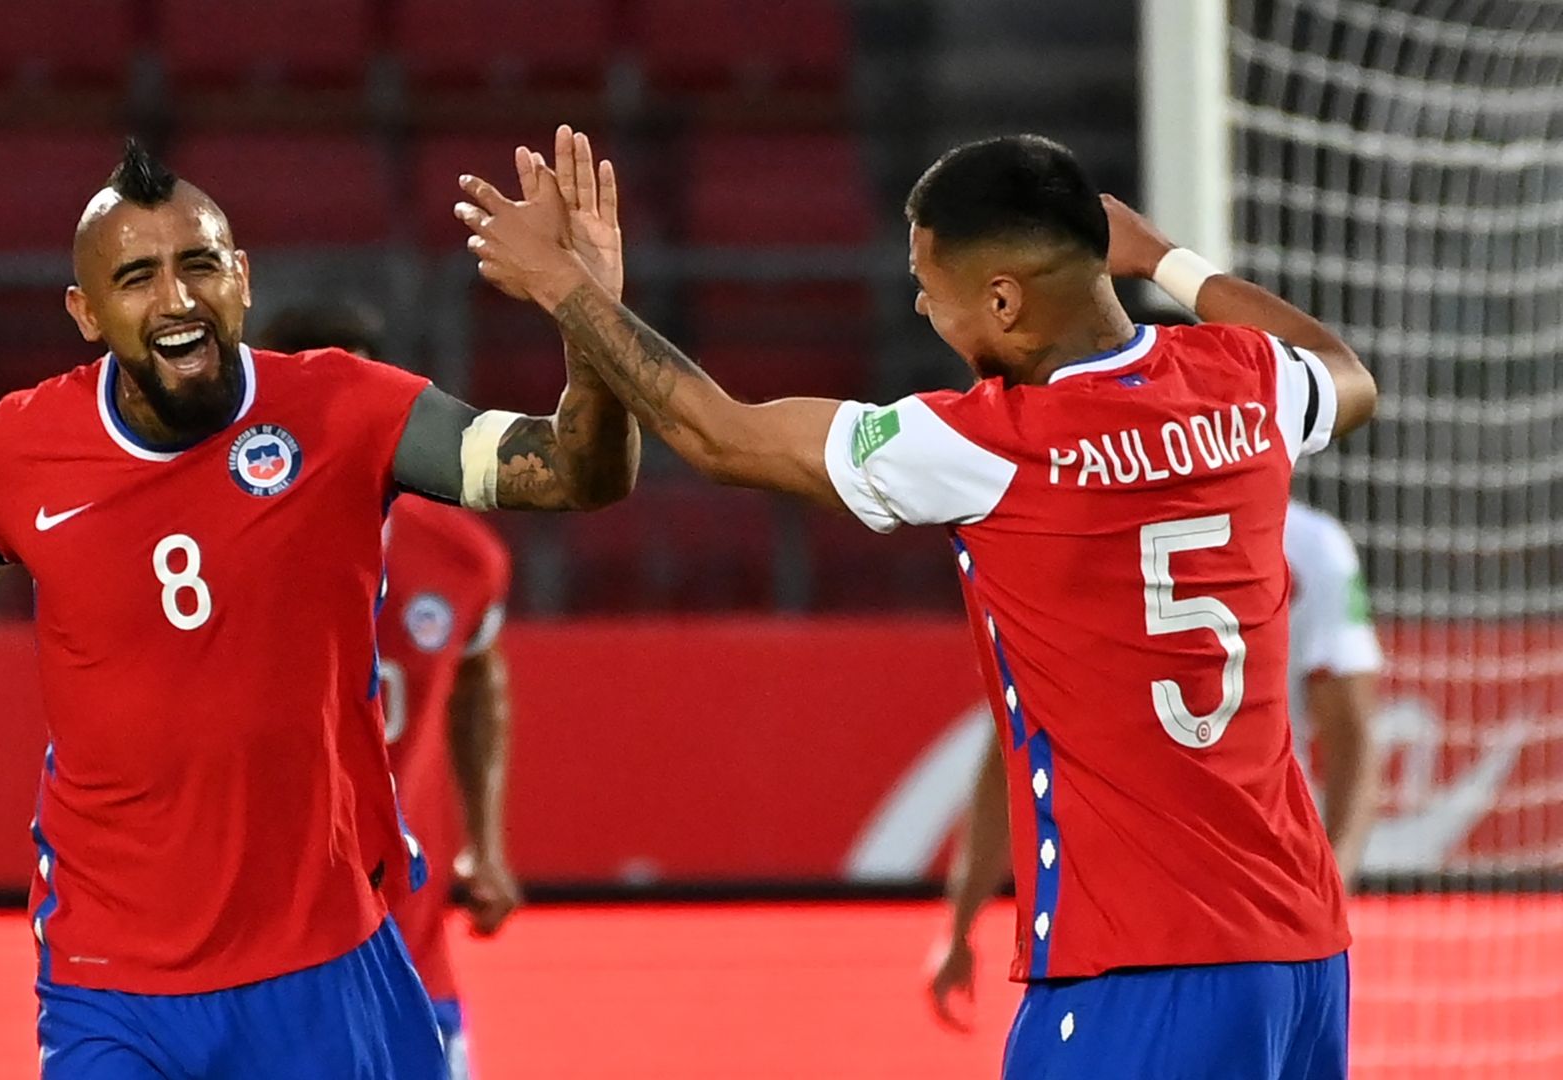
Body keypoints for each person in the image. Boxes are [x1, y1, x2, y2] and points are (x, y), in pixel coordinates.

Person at [458, 131, 1377, 1077]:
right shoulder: (1244, 380)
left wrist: (567, 290)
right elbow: (1347, 374)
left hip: (1142, 966)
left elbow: (720, 435)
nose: (921, 304)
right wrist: (1163, 259)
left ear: (1004, 301)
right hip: (1302, 952)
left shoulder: (986, 444)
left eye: (928, 283)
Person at [0, 132, 636, 1079]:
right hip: (110, 978)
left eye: (198, 265)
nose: (177, 298)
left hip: (323, 956)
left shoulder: (345, 410)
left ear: (242, 276)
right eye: (138, 276)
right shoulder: (15, 453)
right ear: (87, 311)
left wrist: (587, 310)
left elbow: (578, 472)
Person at [925, 499, 1384, 1031]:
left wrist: (960, 923)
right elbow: (1352, 733)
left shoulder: (1072, 521)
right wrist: (1331, 894)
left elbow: (1015, 748)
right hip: (1259, 913)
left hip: (1114, 921)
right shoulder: (1313, 545)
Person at [263, 302, 522, 1080]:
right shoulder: (203, 551)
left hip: (406, 949)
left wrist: (486, 843)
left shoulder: (460, 559)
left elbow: (480, 679)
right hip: (253, 954)